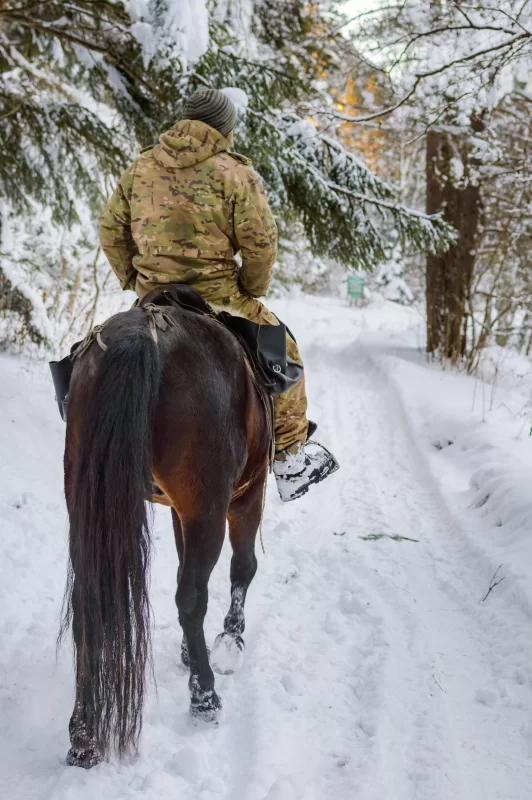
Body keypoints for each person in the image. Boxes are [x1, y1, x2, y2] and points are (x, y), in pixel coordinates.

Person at [99, 88, 338, 501]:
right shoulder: (234, 172)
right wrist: (252, 289)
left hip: (155, 297)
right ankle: (289, 459)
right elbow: (261, 242)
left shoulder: (141, 166)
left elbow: (110, 232)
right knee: (282, 347)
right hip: (218, 298)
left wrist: (135, 281)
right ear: (225, 130)